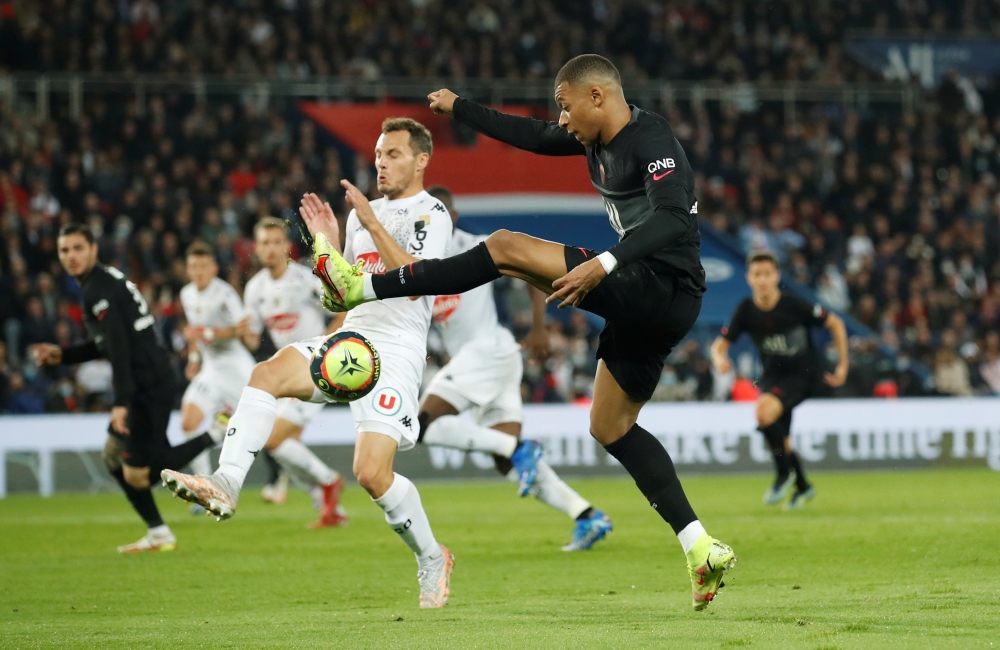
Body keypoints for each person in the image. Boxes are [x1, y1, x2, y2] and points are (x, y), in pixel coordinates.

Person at [311, 54, 735, 610]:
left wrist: (604, 262)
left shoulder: (651, 139)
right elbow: (532, 137)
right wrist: (460, 107)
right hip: (645, 301)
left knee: (505, 246)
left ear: (598, 97)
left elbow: (675, 218)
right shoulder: (592, 140)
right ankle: (700, 546)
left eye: (566, 106)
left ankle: (365, 287)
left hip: (662, 285)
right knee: (609, 426)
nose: (562, 119)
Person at [162, 118, 456, 608]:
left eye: (394, 154)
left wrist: (372, 221)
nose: (381, 163)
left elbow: (419, 281)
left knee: (371, 473)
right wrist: (326, 246)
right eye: (378, 154)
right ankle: (226, 482)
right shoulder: (360, 217)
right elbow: (341, 293)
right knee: (265, 374)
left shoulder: (432, 212)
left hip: (398, 349)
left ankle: (432, 556)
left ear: (422, 159)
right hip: (351, 338)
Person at [419, 186, 613, 551]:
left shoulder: (476, 246)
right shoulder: (420, 258)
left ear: (454, 217)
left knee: (422, 424)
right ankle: (587, 516)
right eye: (427, 215)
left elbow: (528, 269)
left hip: (486, 352)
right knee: (505, 461)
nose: (434, 221)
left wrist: (538, 326)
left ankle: (519, 447)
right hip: (489, 360)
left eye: (441, 213)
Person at [30, 223, 225, 553]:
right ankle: (159, 531)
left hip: (146, 385)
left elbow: (118, 347)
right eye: (64, 250)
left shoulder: (97, 290)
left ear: (93, 249)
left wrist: (120, 401)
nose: (71, 256)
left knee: (140, 474)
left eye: (78, 248)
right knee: (114, 455)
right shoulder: (103, 282)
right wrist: (63, 354)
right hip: (148, 379)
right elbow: (108, 343)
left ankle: (215, 434)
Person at [710, 250, 849, 509]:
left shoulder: (794, 305)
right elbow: (720, 345)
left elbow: (836, 324)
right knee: (780, 437)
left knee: (764, 414)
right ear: (749, 278)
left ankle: (783, 475)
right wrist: (719, 360)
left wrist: (843, 365)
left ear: (777, 276)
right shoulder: (746, 310)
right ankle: (803, 486)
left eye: (767, 274)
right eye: (757, 274)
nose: (762, 279)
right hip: (773, 377)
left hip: (804, 375)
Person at [236, 216, 347, 528]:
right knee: (283, 445)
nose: (270, 249)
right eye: (264, 243)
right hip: (288, 371)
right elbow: (253, 340)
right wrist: (242, 333)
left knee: (272, 439)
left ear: (287, 246)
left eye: (276, 242)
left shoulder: (306, 279)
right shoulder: (255, 289)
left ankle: (328, 482)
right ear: (256, 248)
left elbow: (344, 308)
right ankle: (328, 505)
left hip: (316, 368)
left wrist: (324, 346)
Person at [179, 241, 255, 482]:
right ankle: (204, 482)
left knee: (256, 430)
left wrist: (206, 332)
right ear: (187, 270)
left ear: (214, 268)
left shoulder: (225, 294)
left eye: (203, 266)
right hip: (211, 369)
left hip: (236, 368)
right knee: (189, 423)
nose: (198, 271)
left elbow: (241, 330)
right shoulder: (187, 294)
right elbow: (194, 333)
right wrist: (194, 359)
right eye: (193, 266)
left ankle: (279, 479)